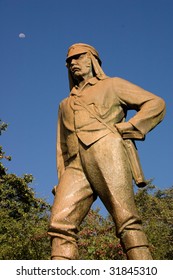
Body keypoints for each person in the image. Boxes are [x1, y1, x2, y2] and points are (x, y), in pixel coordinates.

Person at [48, 43, 166, 260]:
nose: (72, 63)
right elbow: (61, 147)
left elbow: (155, 103)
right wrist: (62, 177)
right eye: (69, 60)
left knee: (126, 218)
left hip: (107, 150)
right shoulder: (64, 104)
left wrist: (127, 128)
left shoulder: (113, 85)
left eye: (78, 57)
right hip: (75, 165)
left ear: (92, 59)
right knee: (59, 222)